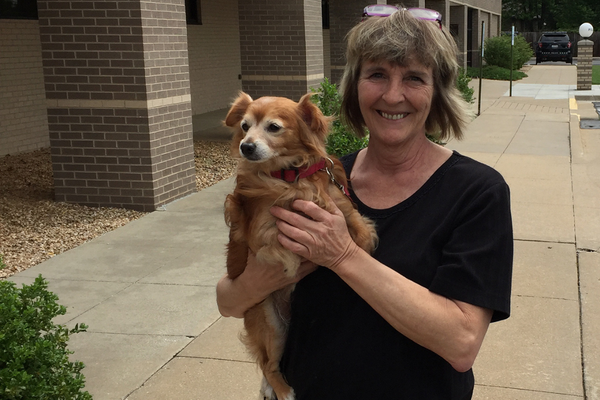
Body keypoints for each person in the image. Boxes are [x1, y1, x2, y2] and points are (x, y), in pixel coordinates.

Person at [216, 6, 513, 400]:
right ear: (355, 87)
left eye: (414, 78)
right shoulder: (319, 179)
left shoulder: (476, 192)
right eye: (376, 75)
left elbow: (461, 343)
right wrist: (264, 274)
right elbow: (228, 301)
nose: (393, 95)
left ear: (437, 92)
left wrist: (341, 255)